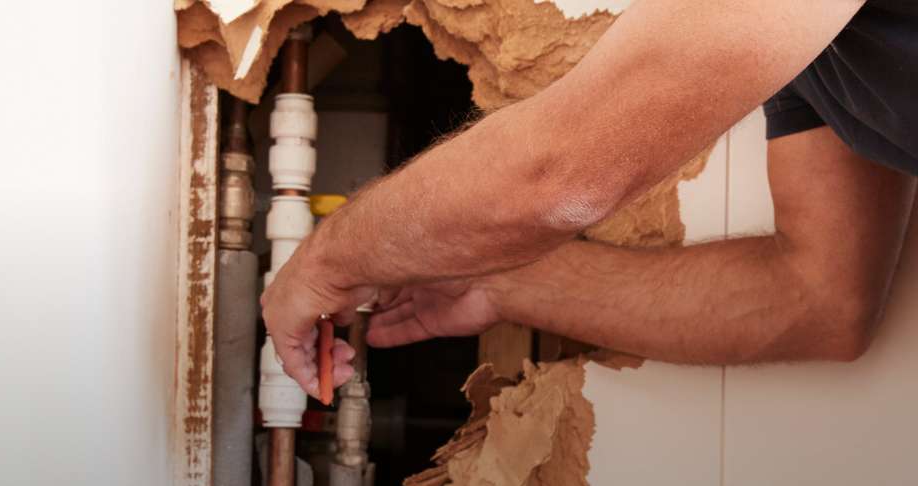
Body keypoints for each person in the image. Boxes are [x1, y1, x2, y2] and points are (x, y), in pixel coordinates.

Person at [261, 0, 917, 394]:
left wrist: (327, 261)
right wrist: (504, 280)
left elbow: (558, 179)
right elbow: (823, 298)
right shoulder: (794, 36)